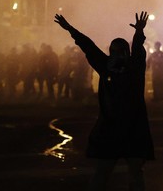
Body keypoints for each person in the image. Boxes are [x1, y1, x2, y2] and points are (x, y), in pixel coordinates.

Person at [54, 11, 155, 191]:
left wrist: (139, 33)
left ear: (127, 52)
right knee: (104, 173)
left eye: (121, 51)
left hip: (131, 128)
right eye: (114, 51)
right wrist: (70, 29)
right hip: (114, 128)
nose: (117, 54)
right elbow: (89, 46)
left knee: (134, 173)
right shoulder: (108, 66)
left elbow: (138, 50)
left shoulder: (133, 67)